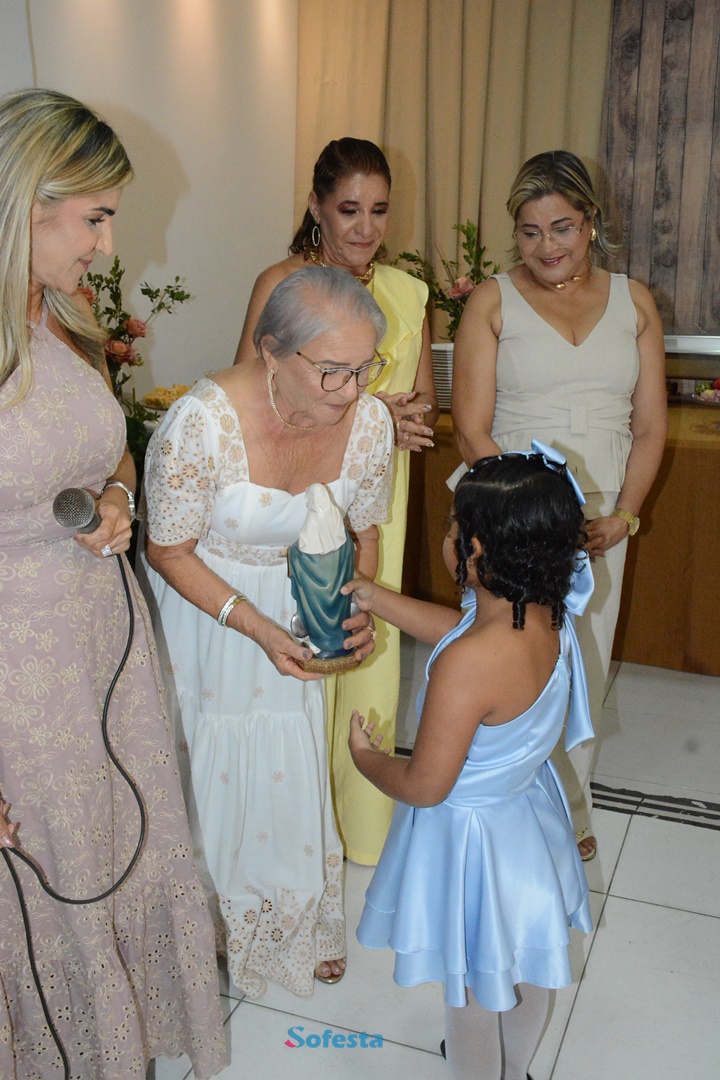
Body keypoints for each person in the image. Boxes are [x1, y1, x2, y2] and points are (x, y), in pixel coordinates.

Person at [0, 89, 226, 1078]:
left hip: (104, 647)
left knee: (116, 844)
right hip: (17, 678)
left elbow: (111, 451)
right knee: (46, 878)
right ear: (28, 201)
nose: (106, 244)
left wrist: (118, 498)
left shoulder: (63, 317)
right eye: (94, 218)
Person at [140, 266, 394, 998]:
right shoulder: (200, 422)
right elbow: (167, 550)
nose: (350, 391)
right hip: (210, 618)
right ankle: (203, 927)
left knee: (287, 761)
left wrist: (353, 609)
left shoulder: (368, 422)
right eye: (332, 370)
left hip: (299, 614)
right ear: (271, 351)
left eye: (364, 368)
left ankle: (291, 915)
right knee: (205, 763)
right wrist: (255, 627)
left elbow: (364, 530)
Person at [346, 446, 594, 1080]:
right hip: (525, 821)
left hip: (471, 841)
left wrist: (368, 759)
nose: (447, 537)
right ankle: (518, 1069)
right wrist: (376, 597)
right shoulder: (543, 613)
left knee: (473, 992)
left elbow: (425, 786)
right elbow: (458, 628)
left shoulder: (468, 664)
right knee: (526, 965)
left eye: (453, 527)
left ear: (474, 549)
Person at [451, 149, 667, 861]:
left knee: (586, 664)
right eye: (530, 231)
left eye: (563, 227)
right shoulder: (491, 301)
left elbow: (649, 427)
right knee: (508, 658)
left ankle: (572, 811)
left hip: (604, 513)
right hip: (511, 509)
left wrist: (624, 516)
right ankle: (498, 802)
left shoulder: (635, 302)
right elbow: (471, 429)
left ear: (591, 222)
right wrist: (534, 517)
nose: (547, 246)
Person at [234, 138, 438, 865]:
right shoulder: (282, 282)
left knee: (365, 646)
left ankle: (361, 827)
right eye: (349, 209)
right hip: (301, 483)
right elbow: (245, 394)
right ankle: (291, 832)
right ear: (317, 207)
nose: (365, 227)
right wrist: (370, 411)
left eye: (379, 210)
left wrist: (401, 423)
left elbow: (422, 408)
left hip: (379, 495)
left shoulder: (409, 293)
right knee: (302, 641)